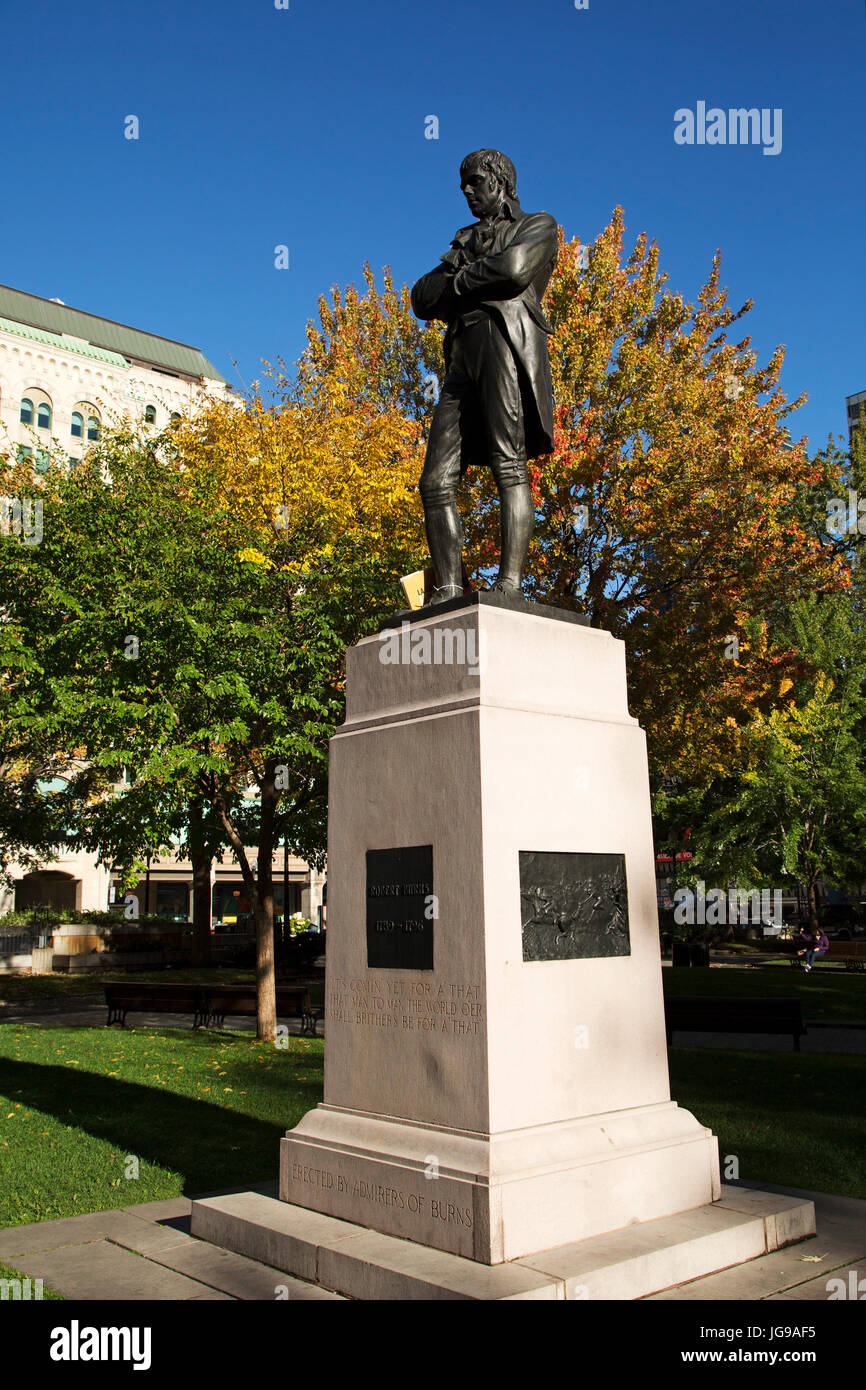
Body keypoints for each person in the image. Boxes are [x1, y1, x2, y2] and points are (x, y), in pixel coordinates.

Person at [411, 149, 558, 604]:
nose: (467, 191)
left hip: (503, 342)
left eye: (474, 181)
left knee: (508, 465)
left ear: (499, 180)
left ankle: (509, 586)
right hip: (462, 356)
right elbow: (420, 297)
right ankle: (450, 588)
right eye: (463, 185)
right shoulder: (465, 239)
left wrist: (457, 283)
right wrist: (471, 280)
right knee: (434, 480)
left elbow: (515, 270)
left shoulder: (539, 225)